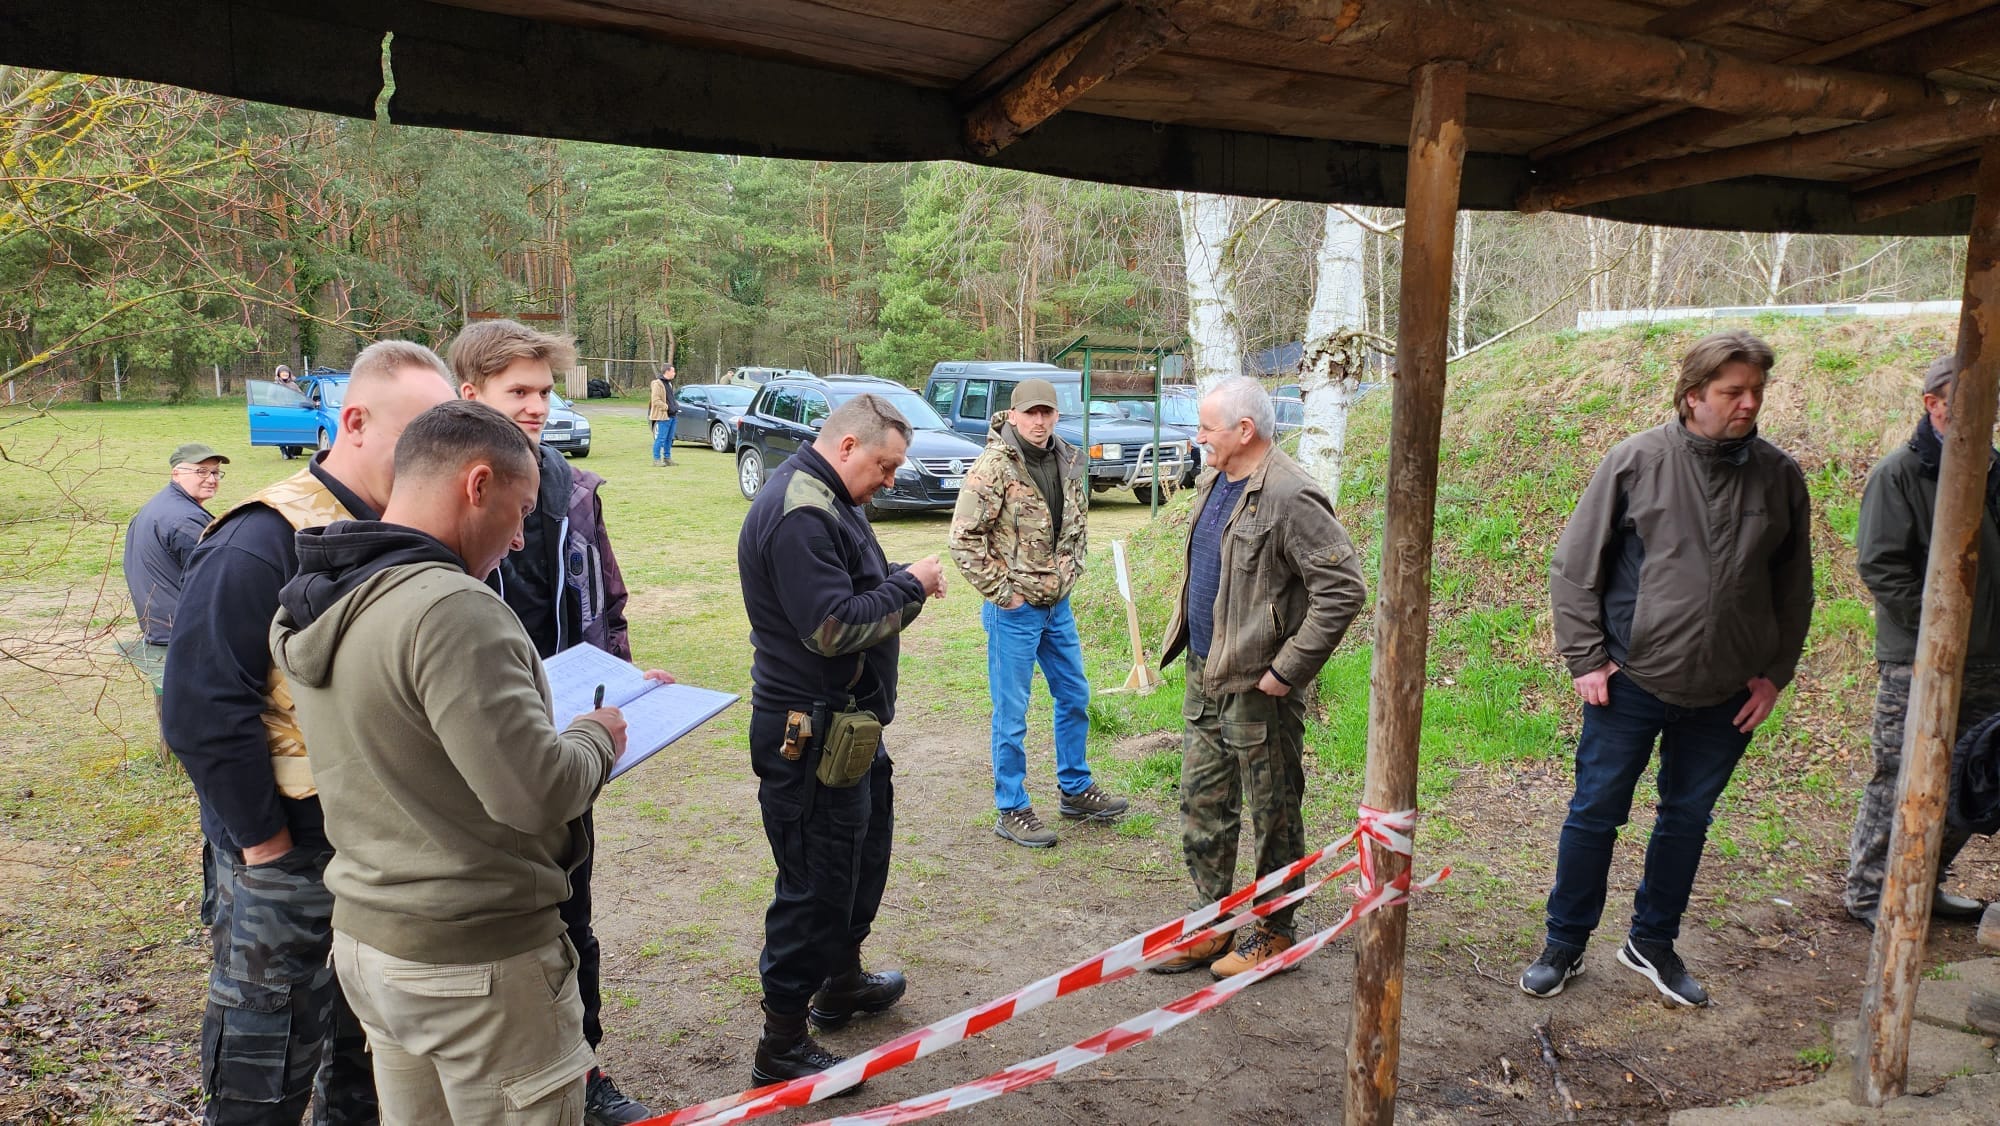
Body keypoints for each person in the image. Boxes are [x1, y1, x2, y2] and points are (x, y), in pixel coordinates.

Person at [271, 400, 626, 1125]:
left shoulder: (329, 595)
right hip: (476, 962)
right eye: (520, 511)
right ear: (477, 484)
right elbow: (537, 793)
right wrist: (597, 735)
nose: (521, 537)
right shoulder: (452, 609)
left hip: (372, 942)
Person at [162, 341, 456, 1124]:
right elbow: (200, 707)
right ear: (353, 422)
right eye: (416, 436)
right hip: (286, 850)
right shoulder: (260, 538)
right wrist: (263, 845)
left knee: (368, 1056)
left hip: (380, 854)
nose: (434, 459)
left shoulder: (404, 533)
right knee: (266, 1065)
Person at [1522, 330, 1814, 1008]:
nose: (1749, 403)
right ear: (1692, 396)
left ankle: (1651, 942)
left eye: (1756, 391)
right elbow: (1574, 567)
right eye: (1732, 392)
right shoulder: (1637, 461)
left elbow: (1793, 588)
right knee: (1595, 814)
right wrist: (1587, 659)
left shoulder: (1778, 475)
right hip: (1631, 681)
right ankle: (1564, 943)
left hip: (1727, 692)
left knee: (1686, 820)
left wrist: (1774, 673)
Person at [448, 318, 645, 1124]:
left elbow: (607, 604)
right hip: (475, 752)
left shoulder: (572, 492)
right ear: (470, 395)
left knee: (572, 915)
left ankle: (584, 1076)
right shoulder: (438, 495)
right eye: (518, 391)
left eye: (544, 391)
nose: (536, 406)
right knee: (495, 934)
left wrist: (622, 678)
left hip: (565, 742)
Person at [736, 393, 946, 1089]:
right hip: (809, 733)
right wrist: (909, 587)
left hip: (848, 727)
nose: (890, 480)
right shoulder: (801, 510)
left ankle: (840, 983)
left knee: (859, 860)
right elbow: (831, 627)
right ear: (848, 446)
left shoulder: (832, 496)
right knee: (815, 885)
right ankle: (782, 1047)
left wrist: (896, 582)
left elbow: (855, 586)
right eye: (885, 466)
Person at [1150, 376, 1366, 979]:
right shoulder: (1216, 480)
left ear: (1244, 430)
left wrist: (1286, 670)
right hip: (1205, 673)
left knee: (1274, 812)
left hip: (1259, 687)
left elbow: (1343, 590)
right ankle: (1211, 925)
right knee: (1202, 803)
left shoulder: (1292, 495)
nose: (1198, 438)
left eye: (1207, 428)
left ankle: (1274, 932)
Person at [1844, 355, 1996, 931]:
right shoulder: (1900, 474)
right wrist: (1942, 631)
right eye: (1970, 401)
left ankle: (1922, 882)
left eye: (1991, 401)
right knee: (1899, 773)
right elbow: (1881, 567)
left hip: (1991, 660)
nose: (1986, 412)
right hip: (1919, 659)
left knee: (1974, 774)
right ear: (1933, 404)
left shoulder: (1994, 469)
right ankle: (1869, 893)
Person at [949, 377, 1127, 848]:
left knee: (1074, 695)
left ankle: (1075, 789)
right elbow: (963, 539)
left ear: (1056, 415)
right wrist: (1005, 594)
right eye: (1031, 412)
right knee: (1012, 714)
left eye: (1047, 412)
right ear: (1013, 415)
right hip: (1015, 611)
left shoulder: (1068, 459)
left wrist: (1069, 574)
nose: (1040, 421)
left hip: (1057, 607)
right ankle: (1011, 807)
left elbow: (1078, 527)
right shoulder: (993, 467)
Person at [125, 441, 229, 650]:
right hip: (185, 632)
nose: (211, 479)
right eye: (201, 472)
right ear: (176, 474)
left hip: (160, 624)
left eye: (215, 472)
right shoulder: (185, 520)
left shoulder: (160, 505)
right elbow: (218, 576)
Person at [649, 363, 679, 466]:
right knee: (661, 438)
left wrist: (675, 406)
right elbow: (655, 400)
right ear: (667, 371)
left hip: (673, 415)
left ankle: (667, 458)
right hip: (664, 416)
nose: (674, 373)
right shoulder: (658, 384)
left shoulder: (670, 384)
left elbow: (670, 398)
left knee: (669, 439)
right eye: (673, 371)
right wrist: (667, 407)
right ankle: (656, 459)